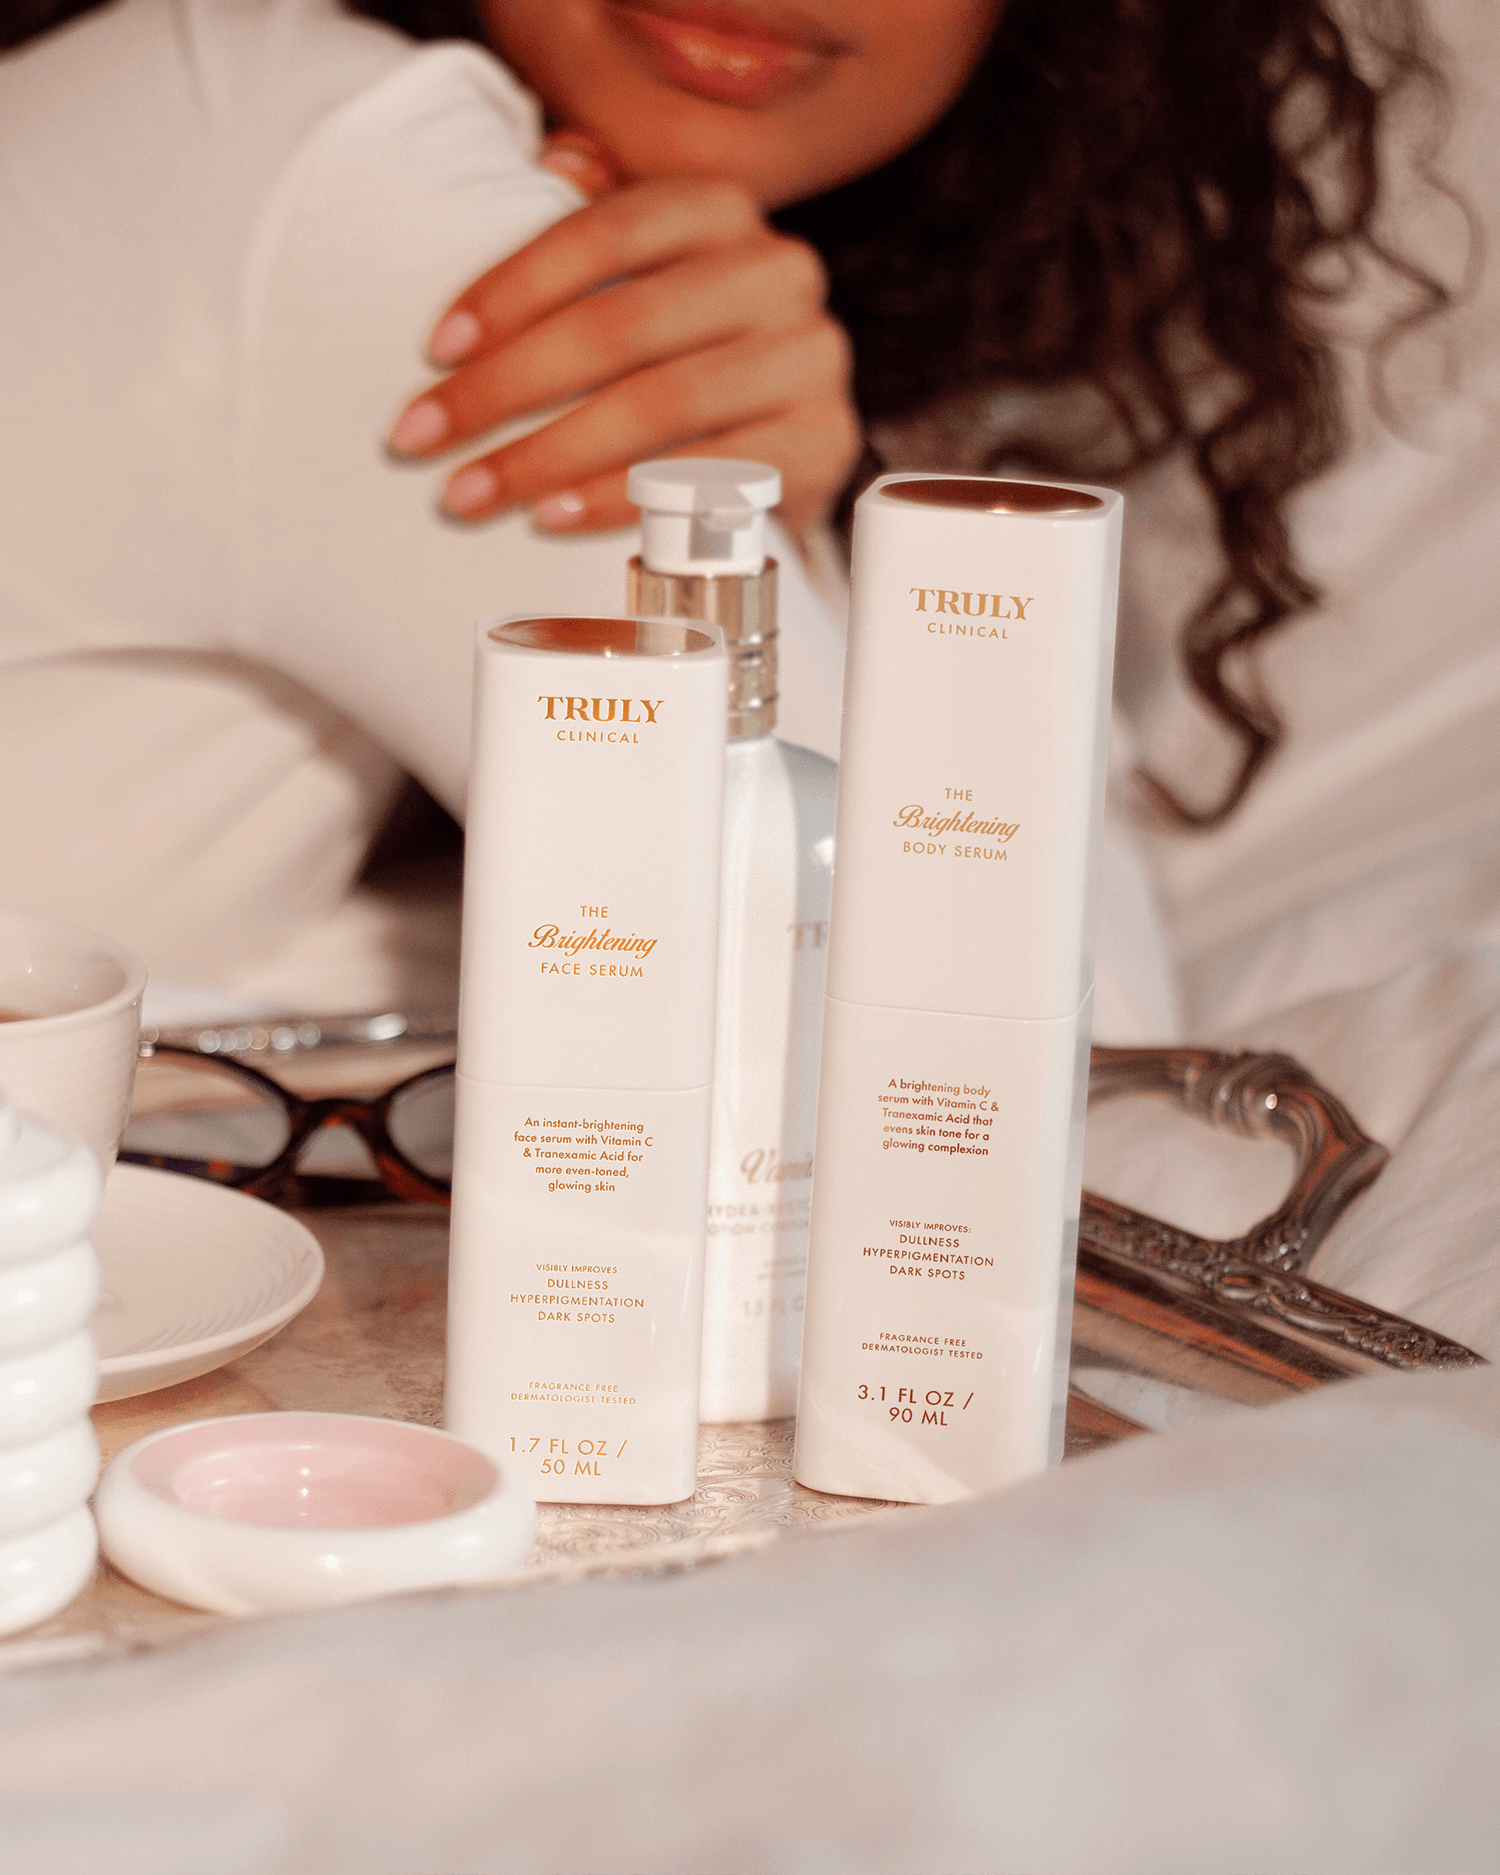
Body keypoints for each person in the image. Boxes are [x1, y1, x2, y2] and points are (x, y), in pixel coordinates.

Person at [1, 0, 1497, 1355]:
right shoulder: (349, 184)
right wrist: (797, 523)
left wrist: (816, 501)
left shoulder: (234, 91)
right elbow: (1035, 1099)